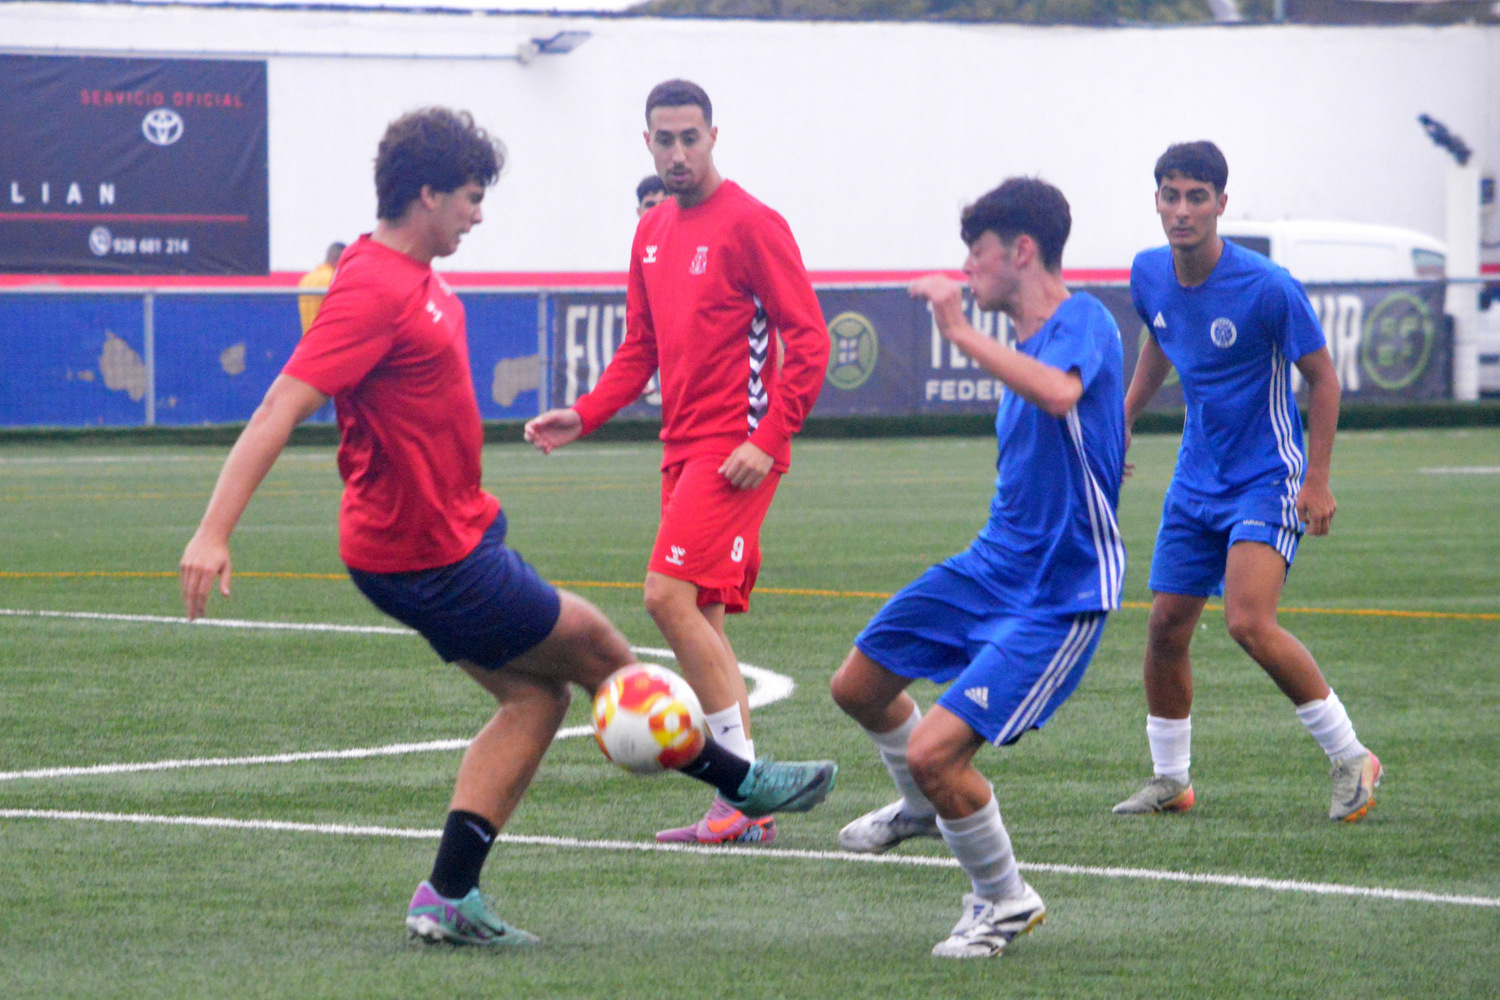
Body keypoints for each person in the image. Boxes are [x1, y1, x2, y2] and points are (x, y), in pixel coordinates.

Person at [178, 106, 835, 949]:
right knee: (602, 649)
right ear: (426, 196)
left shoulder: (401, 272)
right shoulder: (374, 288)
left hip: (452, 538)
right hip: (428, 555)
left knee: (534, 698)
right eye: (469, 198)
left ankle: (449, 896)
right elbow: (279, 406)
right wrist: (213, 531)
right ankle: (743, 783)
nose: (478, 215)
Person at [525, 80, 832, 847]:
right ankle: (741, 810)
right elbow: (641, 350)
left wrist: (766, 439)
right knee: (706, 616)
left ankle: (743, 796)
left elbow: (811, 339)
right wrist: (587, 411)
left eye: (690, 138)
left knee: (666, 596)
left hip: (735, 451)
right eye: (664, 140)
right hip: (681, 446)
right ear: (647, 144)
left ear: (714, 136)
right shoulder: (651, 232)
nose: (678, 153)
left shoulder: (754, 224)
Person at [829, 177, 1125, 959]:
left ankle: (1004, 900)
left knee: (936, 752)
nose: (967, 267)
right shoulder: (1023, 347)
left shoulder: (1084, 320)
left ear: (1021, 251)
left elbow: (1063, 396)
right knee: (857, 685)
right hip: (992, 566)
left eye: (977, 252)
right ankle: (924, 808)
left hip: (1061, 593)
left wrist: (958, 330)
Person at [1113, 140, 1381, 823]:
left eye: (1196, 197)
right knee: (1167, 627)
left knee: (1246, 621)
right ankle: (1171, 779)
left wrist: (1316, 480)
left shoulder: (1267, 286)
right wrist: (1120, 422)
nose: (1182, 210)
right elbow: (1159, 341)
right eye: (1170, 195)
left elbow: (1323, 378)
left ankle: (1353, 756)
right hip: (1195, 478)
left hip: (1268, 476)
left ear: (1220, 205)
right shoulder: (1148, 273)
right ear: (1156, 202)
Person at [296, 241, 346, 335]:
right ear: (340, 260)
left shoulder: (305, 279)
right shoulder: (334, 280)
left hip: (307, 340)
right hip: (327, 339)